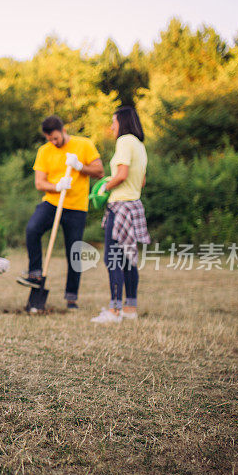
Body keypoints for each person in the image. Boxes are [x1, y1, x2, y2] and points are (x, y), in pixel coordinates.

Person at [17, 115, 104, 309]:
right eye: (49, 139)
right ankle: (35, 272)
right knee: (32, 229)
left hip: (76, 207)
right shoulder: (44, 151)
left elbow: (99, 171)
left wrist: (80, 166)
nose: (53, 142)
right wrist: (57, 186)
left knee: (73, 251)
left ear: (63, 130)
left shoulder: (84, 145)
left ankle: (71, 297)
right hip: (52, 202)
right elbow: (40, 182)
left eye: (55, 138)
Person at [91, 106, 150, 324]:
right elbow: (141, 181)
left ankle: (114, 311)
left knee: (112, 258)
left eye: (113, 122)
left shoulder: (124, 141)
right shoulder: (140, 145)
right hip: (134, 206)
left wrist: (105, 187)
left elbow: (122, 174)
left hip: (120, 208)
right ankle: (130, 308)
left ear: (122, 122)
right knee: (128, 259)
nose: (111, 126)